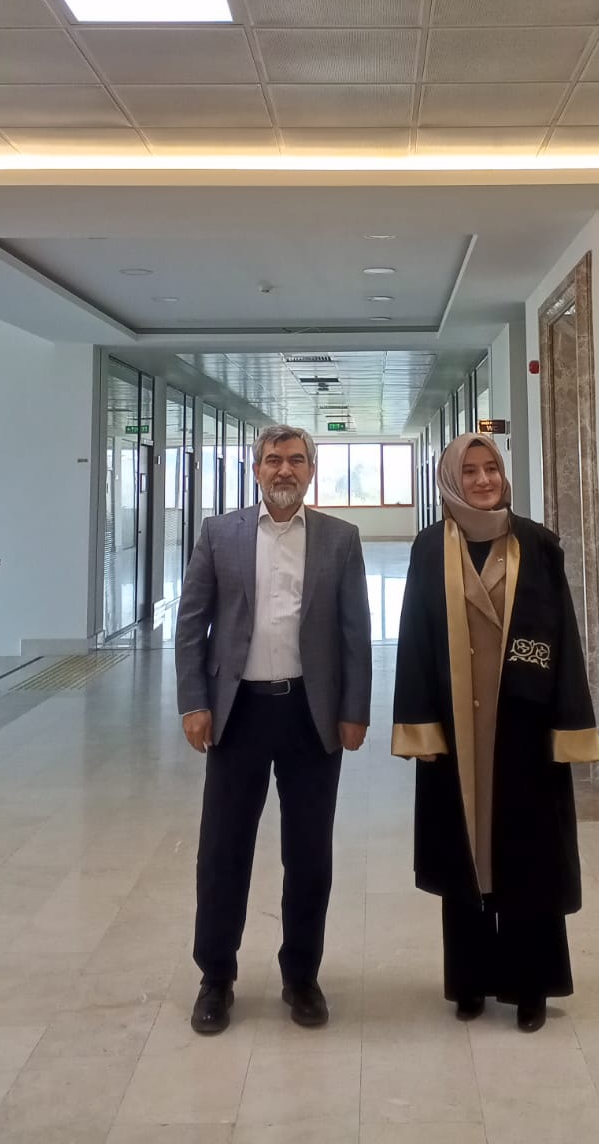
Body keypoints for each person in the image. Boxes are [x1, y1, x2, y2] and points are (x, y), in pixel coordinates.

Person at [391, 431, 599, 1032]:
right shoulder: (429, 547)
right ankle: (471, 980)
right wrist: (420, 724)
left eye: (491, 468)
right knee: (467, 853)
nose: (484, 480)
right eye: (471, 471)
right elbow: (414, 636)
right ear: (451, 480)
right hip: (457, 729)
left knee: (528, 855)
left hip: (523, 727)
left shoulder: (536, 544)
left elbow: (563, 638)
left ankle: (530, 986)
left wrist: (567, 722)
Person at [175, 424, 371, 1035]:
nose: (284, 469)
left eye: (295, 460)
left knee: (309, 852)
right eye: (272, 460)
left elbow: (355, 631)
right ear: (255, 469)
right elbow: (191, 621)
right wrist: (193, 701)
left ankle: (302, 977)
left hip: (311, 715)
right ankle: (216, 977)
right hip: (239, 713)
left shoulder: (340, 539)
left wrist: (355, 708)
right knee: (222, 850)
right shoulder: (220, 533)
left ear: (311, 470)